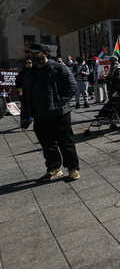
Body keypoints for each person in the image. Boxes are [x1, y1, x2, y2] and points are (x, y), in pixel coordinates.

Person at [20, 43, 80, 182]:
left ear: (45, 54)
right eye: (31, 53)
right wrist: (24, 116)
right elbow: (26, 97)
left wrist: (60, 101)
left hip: (60, 113)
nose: (32, 56)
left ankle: (73, 168)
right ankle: (54, 168)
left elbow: (72, 86)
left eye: (35, 53)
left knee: (66, 142)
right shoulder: (30, 74)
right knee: (47, 144)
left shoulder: (59, 68)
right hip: (40, 115)